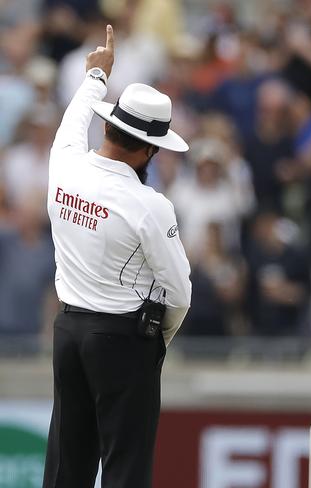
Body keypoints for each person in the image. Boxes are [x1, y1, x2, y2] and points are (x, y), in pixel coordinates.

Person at [43, 26, 192, 488]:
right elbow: (179, 291)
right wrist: (156, 341)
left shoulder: (65, 162)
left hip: (68, 331)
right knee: (126, 467)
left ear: (106, 125)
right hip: (124, 337)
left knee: (66, 465)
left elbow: (71, 123)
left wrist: (95, 78)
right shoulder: (149, 204)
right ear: (150, 148)